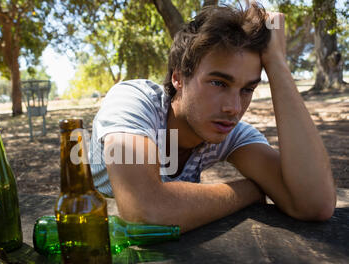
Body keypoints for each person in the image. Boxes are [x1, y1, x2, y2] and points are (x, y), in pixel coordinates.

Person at [88, 3, 336, 233]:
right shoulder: (133, 101)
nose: (234, 108)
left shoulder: (231, 132)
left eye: (247, 89)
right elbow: (143, 211)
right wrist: (250, 189)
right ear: (178, 78)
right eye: (218, 82)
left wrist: (277, 64)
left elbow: (315, 204)